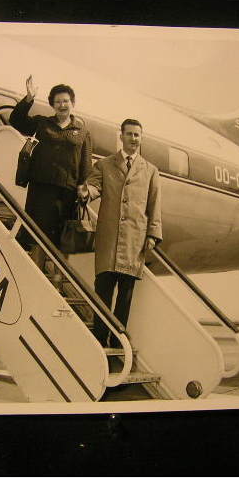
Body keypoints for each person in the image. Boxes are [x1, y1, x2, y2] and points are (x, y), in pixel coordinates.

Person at [78, 119, 162, 346]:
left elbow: (154, 205)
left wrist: (153, 235)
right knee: (103, 290)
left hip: (134, 240)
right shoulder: (105, 165)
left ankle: (117, 341)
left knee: (125, 296)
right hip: (109, 239)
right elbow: (94, 188)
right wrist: (86, 192)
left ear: (141, 138)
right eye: (130, 134)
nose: (134, 139)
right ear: (121, 137)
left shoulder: (151, 171)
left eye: (137, 135)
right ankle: (99, 339)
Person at [9, 76, 93, 267]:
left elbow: (85, 164)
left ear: (72, 103)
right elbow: (16, 120)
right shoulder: (42, 124)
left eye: (66, 101)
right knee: (37, 238)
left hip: (67, 194)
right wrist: (29, 98)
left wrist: (83, 187)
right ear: (52, 105)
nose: (62, 105)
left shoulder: (82, 132)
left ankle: (57, 279)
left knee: (61, 241)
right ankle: (36, 274)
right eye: (57, 102)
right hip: (41, 191)